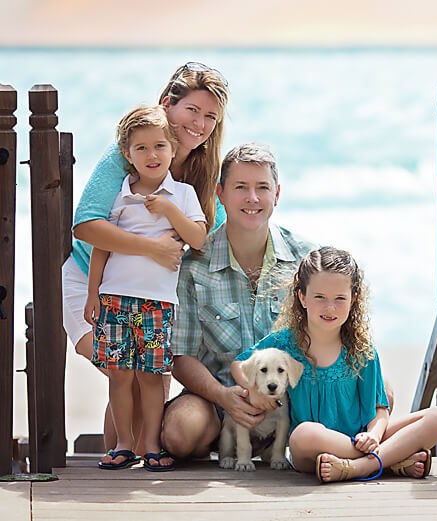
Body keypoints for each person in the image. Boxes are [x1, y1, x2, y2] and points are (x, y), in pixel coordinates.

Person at [62, 62, 229, 460]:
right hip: (94, 281)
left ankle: (139, 451)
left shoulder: (200, 173)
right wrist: (153, 248)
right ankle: (123, 453)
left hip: (153, 293)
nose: (200, 124)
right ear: (167, 104)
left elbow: (212, 239)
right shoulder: (133, 150)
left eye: (210, 117)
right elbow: (86, 226)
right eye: (192, 110)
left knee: (149, 375)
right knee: (129, 376)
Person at [232, 247, 437, 483]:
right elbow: (240, 363)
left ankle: (356, 467)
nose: (330, 308)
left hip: (361, 440)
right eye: (319, 297)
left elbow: (379, 409)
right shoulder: (284, 344)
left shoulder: (361, 349)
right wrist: (254, 389)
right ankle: (391, 460)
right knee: (304, 433)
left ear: (353, 299)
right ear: (302, 297)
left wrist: (374, 436)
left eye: (340, 299)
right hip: (312, 450)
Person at [160, 142, 317, 460]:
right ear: (220, 193)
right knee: (179, 431)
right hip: (221, 404)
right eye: (241, 187)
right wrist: (224, 397)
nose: (253, 198)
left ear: (277, 194)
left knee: (383, 394)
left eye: (262, 187)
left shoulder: (306, 260)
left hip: (293, 403)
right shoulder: (193, 267)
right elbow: (181, 355)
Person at [84, 105, 207, 471]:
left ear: (172, 148)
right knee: (120, 375)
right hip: (115, 300)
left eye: (159, 146)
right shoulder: (120, 196)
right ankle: (124, 444)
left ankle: (151, 445)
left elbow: (197, 237)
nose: (152, 155)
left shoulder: (183, 195)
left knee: (153, 375)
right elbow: (100, 248)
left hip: (157, 305)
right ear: (127, 154)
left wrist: (169, 211)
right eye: (141, 148)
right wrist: (93, 295)